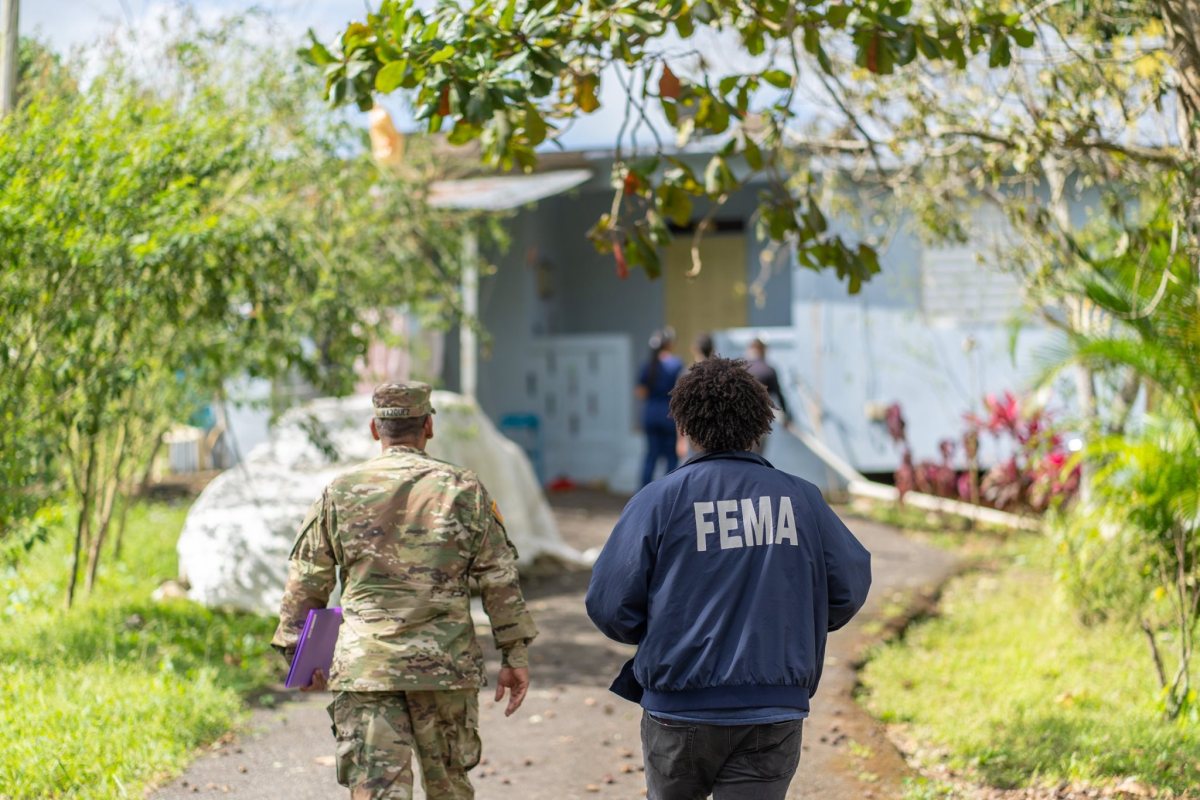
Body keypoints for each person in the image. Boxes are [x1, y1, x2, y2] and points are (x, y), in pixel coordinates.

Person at [585, 357, 872, 800]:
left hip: (678, 711)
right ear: (760, 427)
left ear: (685, 427)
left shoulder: (659, 500)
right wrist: (795, 624)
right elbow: (848, 586)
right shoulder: (802, 500)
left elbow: (609, 604)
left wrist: (663, 634)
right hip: (773, 711)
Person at [272, 382, 538, 800]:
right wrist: (514, 655)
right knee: (449, 789)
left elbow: (308, 579)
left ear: (375, 429)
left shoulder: (340, 492)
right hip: (444, 668)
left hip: (367, 670)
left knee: (377, 794)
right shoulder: (465, 490)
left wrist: (298, 657)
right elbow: (499, 578)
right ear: (428, 426)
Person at [636, 328, 685, 487]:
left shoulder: (648, 365)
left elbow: (640, 392)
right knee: (671, 458)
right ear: (669, 344)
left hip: (651, 414)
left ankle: (643, 492)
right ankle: (669, 492)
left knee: (651, 456)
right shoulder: (676, 364)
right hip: (669, 415)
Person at [744, 337, 790, 453]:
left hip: (740, 420)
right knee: (757, 456)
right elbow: (779, 396)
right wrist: (786, 417)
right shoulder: (768, 370)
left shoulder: (740, 369)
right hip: (760, 421)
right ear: (764, 351)